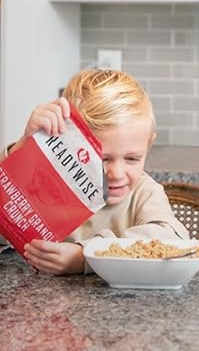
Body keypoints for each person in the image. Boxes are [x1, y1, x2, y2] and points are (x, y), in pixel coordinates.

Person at [0, 69, 188, 275]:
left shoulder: (144, 193)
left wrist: (86, 256)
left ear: (148, 147)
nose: (116, 173)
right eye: (102, 159)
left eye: (132, 159)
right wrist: (24, 148)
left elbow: (171, 240)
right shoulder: (49, 183)